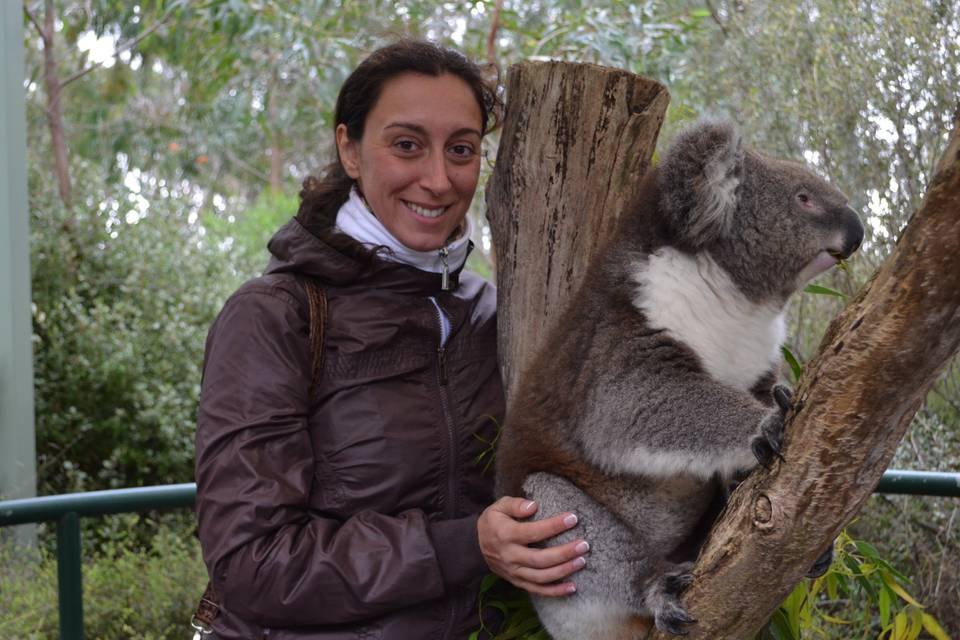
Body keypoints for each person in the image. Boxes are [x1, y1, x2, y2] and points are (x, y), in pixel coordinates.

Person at [194, 39, 590, 640]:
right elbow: (252, 564)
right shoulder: (276, 317)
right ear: (349, 149)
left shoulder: (495, 314)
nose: (437, 179)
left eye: (461, 150)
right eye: (407, 145)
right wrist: (466, 545)